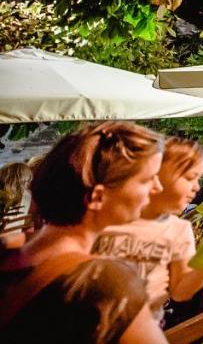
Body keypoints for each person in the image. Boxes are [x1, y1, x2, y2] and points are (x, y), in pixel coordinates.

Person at [0, 121, 167, 343]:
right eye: (147, 179)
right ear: (97, 197)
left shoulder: (8, 253)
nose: (158, 187)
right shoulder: (104, 282)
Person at [95, 138, 203, 324]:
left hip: (145, 328)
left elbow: (180, 291)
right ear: (155, 172)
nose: (197, 187)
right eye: (189, 177)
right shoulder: (108, 217)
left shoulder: (179, 230)